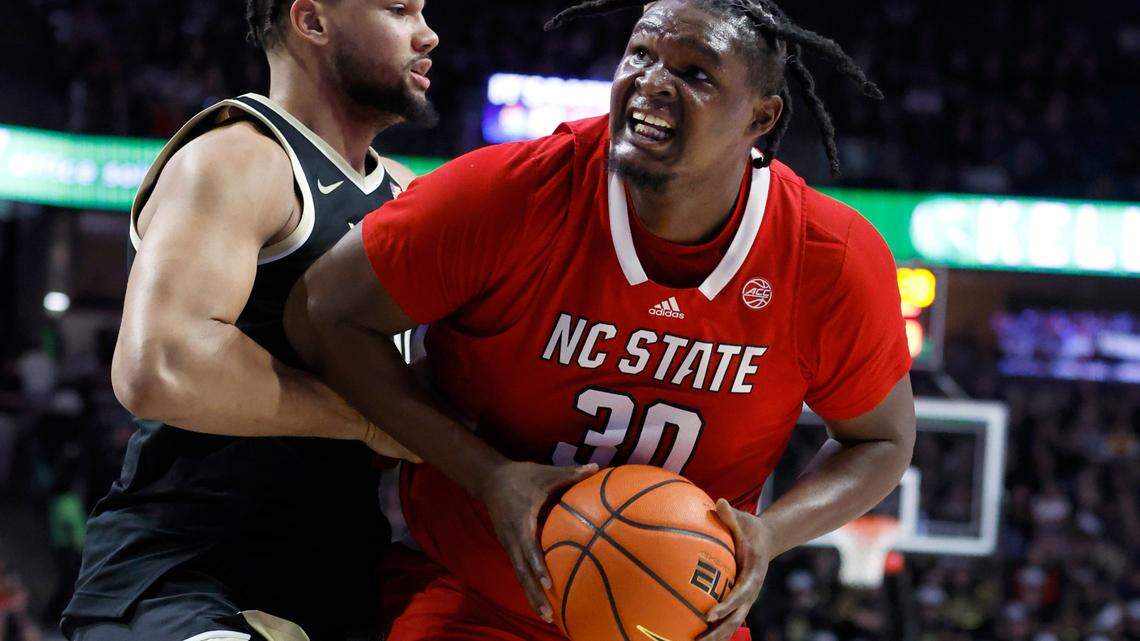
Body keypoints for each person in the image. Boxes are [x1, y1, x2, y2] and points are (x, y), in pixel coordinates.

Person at [285, 1, 916, 640]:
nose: (652, 81)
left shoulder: (828, 258)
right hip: (473, 595)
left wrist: (771, 533)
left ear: (761, 116)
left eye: (697, 74)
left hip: (680, 618)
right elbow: (323, 310)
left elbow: (881, 439)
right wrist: (487, 474)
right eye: (640, 54)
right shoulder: (515, 193)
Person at [62, 1, 438, 640]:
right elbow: (161, 368)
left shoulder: (409, 194)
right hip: (185, 570)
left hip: (341, 576)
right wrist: (371, 420)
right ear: (312, 22)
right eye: (397, 9)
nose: (426, 34)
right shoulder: (238, 157)